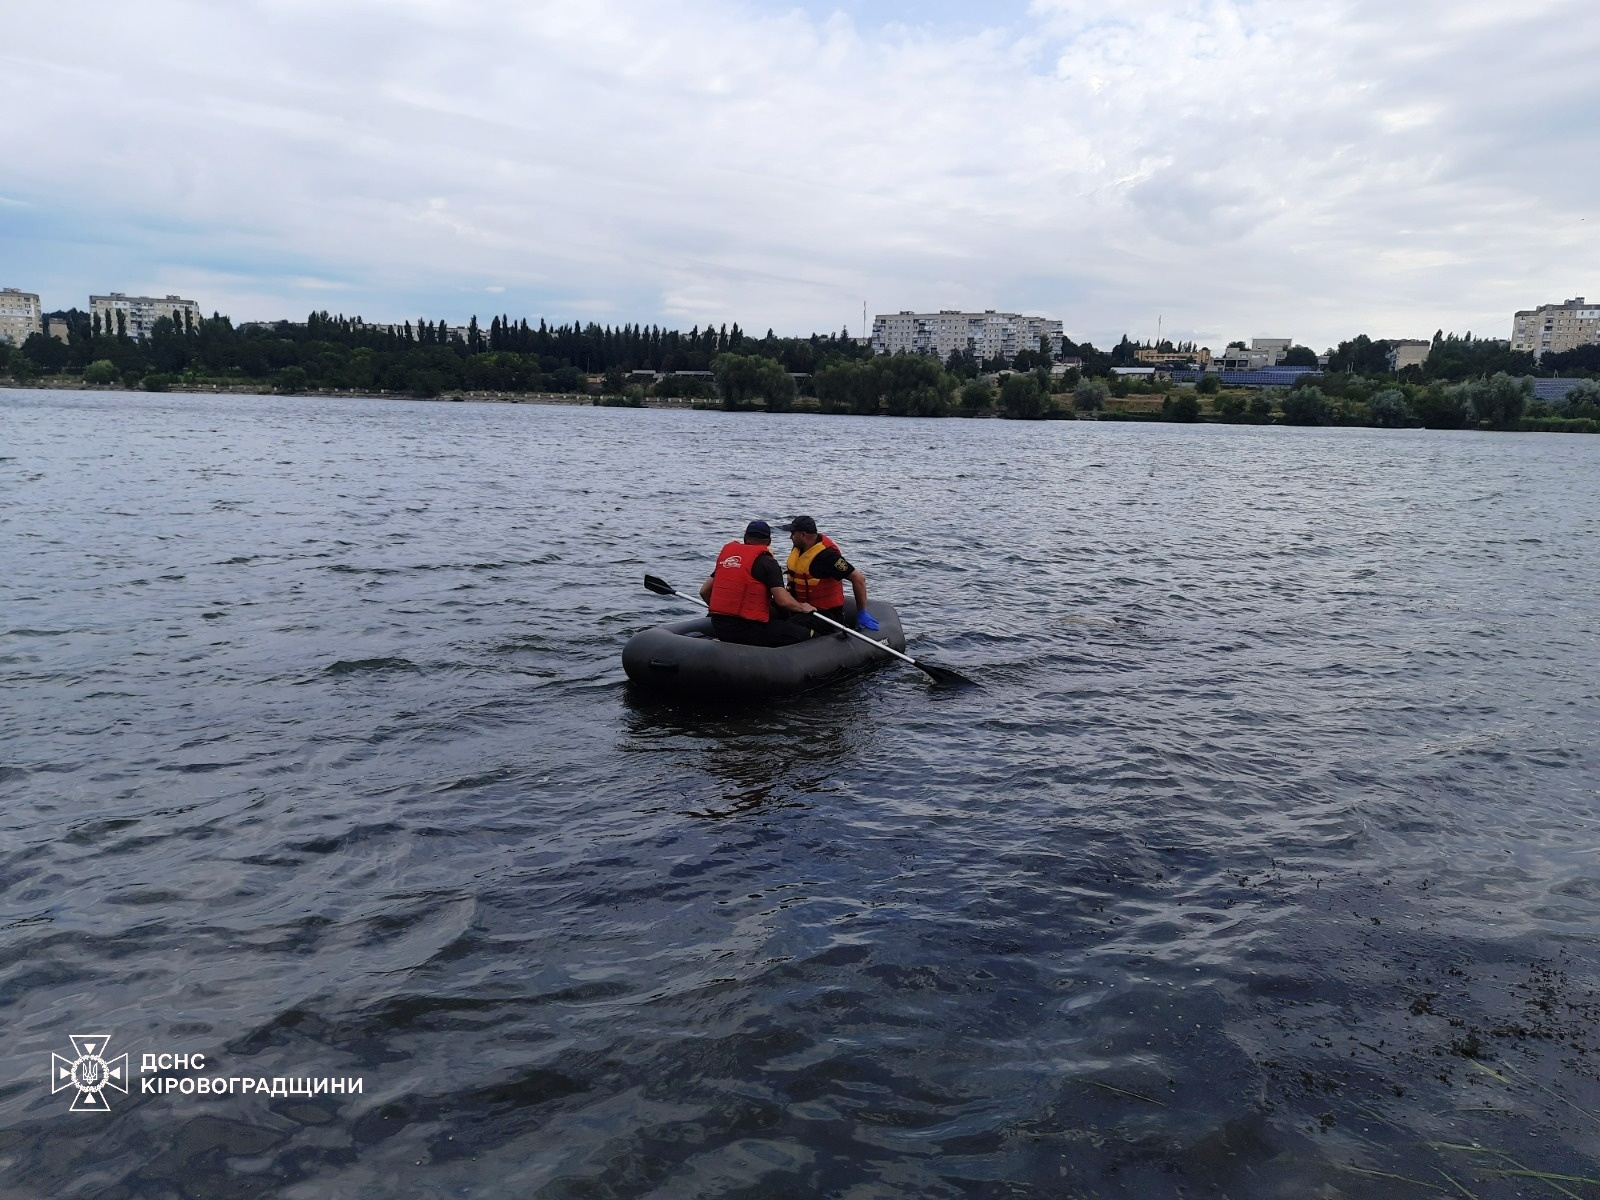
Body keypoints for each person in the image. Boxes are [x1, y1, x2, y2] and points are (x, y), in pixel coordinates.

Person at [700, 520, 817, 646]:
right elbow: (782, 601)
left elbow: (704, 591)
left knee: (774, 613)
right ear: (769, 542)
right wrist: (802, 607)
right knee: (807, 634)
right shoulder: (768, 563)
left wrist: (723, 613)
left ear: (745, 537)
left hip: (719, 625)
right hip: (749, 629)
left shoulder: (728, 559)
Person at [779, 515, 879, 631]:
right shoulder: (800, 548)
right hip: (800, 607)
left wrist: (862, 612)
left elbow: (858, 579)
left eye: (793, 533)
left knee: (787, 628)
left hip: (824, 614)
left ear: (803, 535)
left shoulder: (828, 556)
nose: (790, 537)